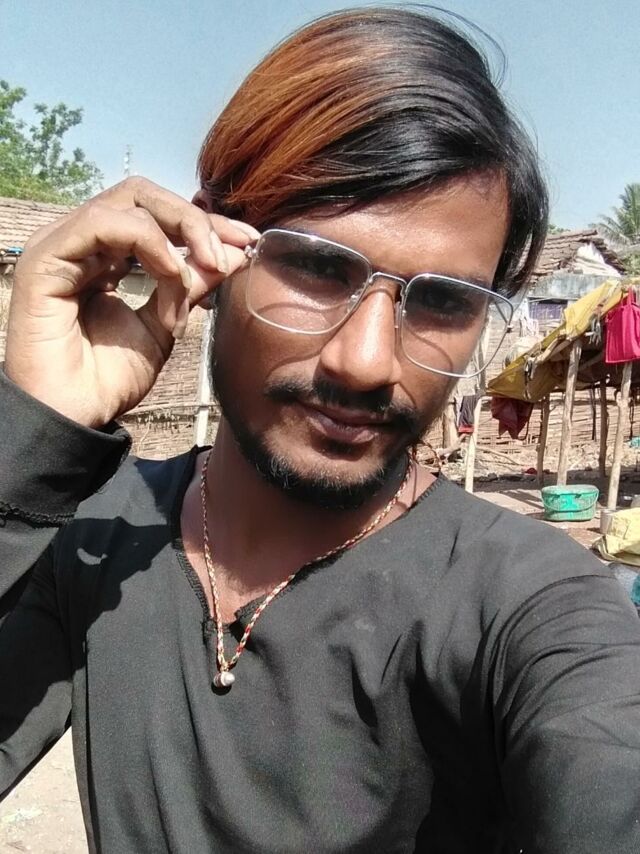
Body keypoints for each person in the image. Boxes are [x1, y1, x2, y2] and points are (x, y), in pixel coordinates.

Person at [1, 7, 639, 853]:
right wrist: (29, 440)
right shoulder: (90, 537)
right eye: (314, 265)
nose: (366, 361)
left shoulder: (530, 603)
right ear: (205, 250)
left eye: (444, 302)